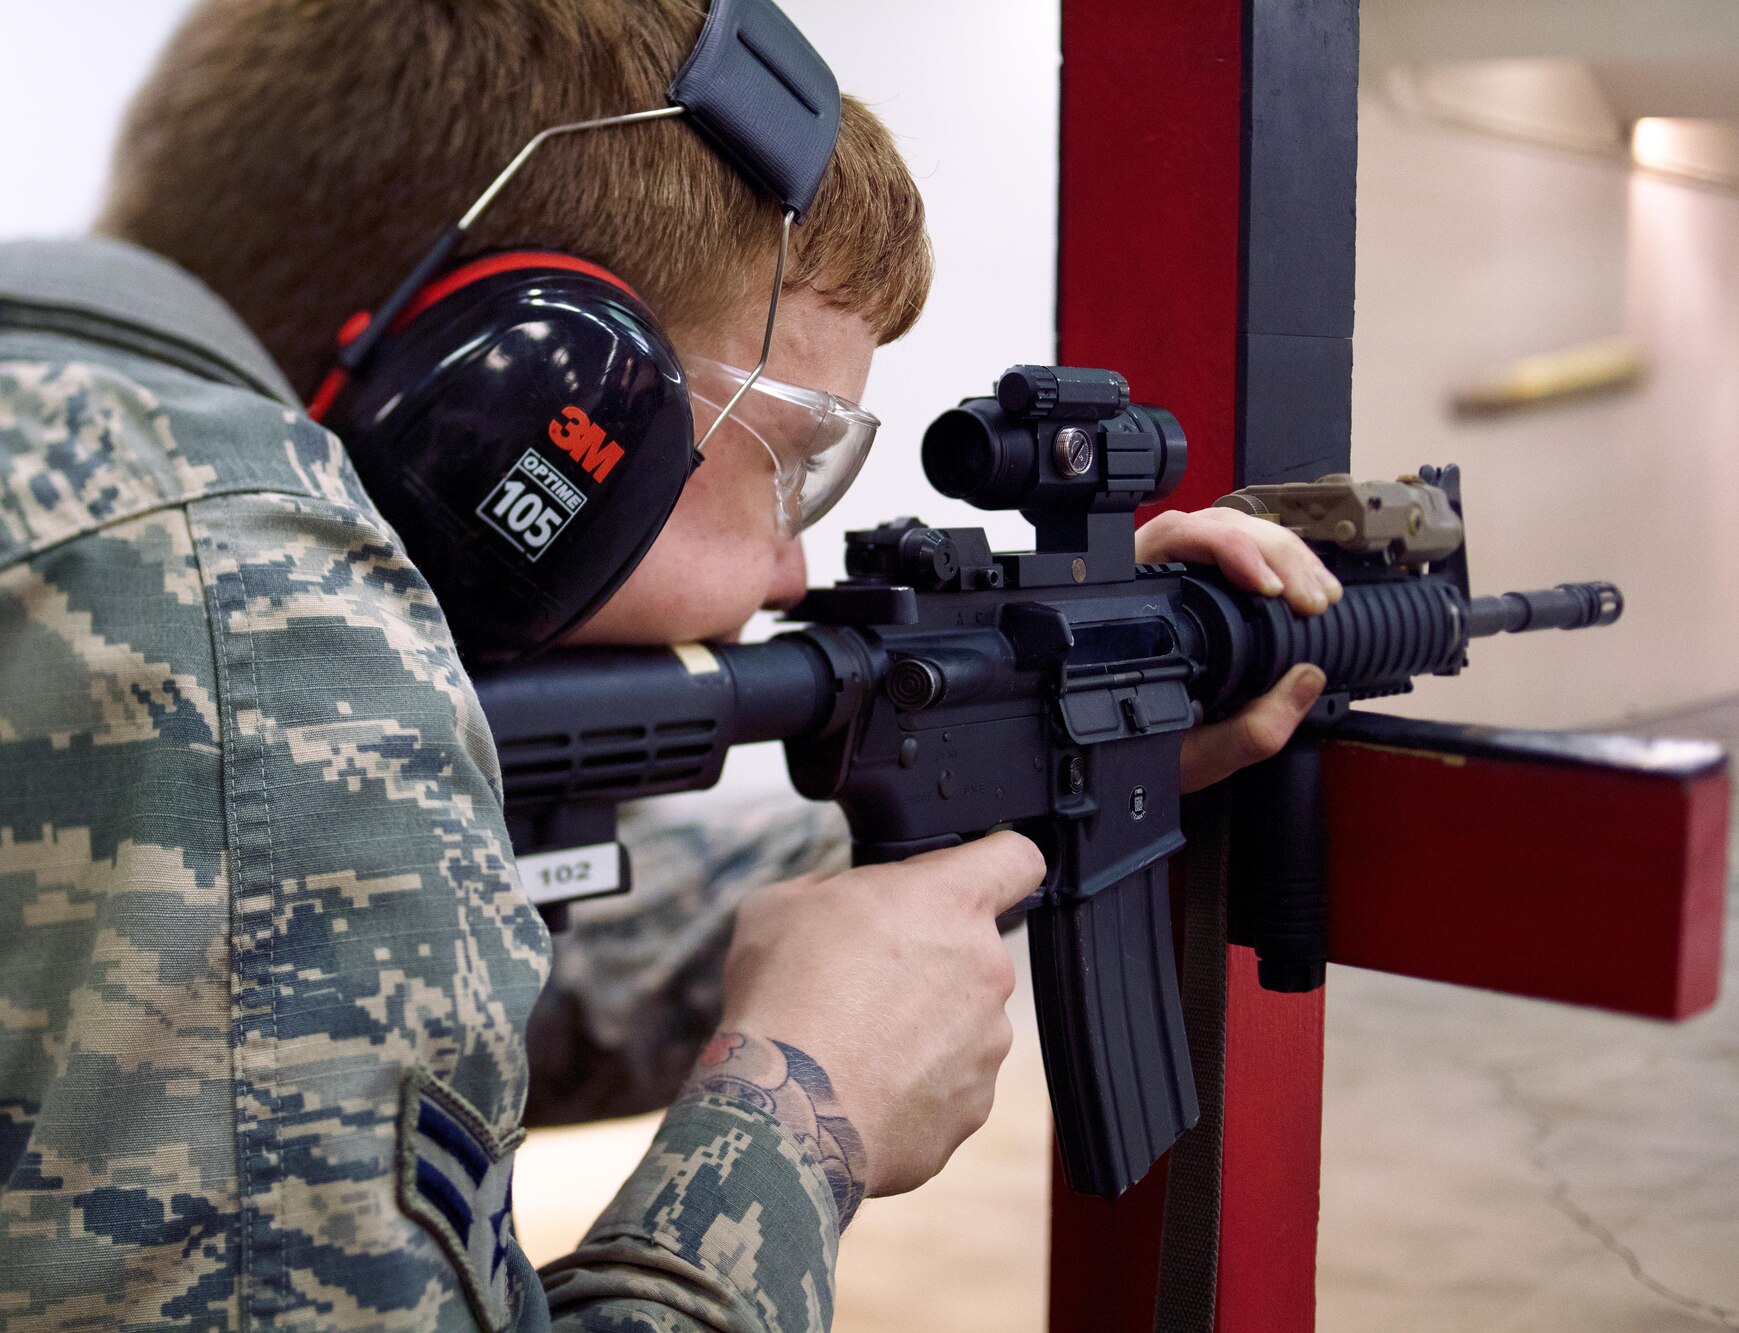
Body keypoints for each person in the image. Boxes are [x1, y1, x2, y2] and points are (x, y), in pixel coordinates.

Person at [0, 2, 1337, 1329]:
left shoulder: (95, 494)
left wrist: (1014, 766)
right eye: (784, 465)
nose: (792, 573)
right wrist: (796, 1121)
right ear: (524, 413)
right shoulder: (258, 642)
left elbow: (476, 1015)